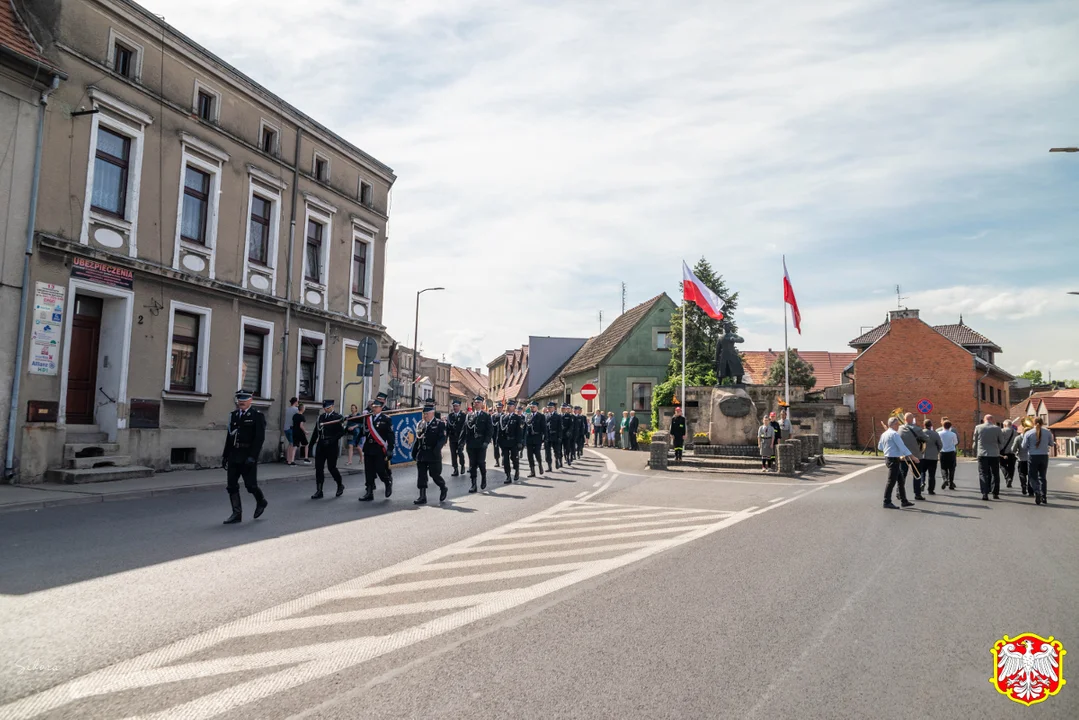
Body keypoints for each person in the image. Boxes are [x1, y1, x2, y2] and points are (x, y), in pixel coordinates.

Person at [221, 391, 268, 524]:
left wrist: (253, 456)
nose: (241, 401)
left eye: (244, 399)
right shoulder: (234, 415)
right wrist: (225, 456)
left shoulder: (257, 416)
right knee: (231, 486)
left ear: (250, 400)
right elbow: (229, 437)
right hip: (234, 454)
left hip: (247, 455)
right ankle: (236, 513)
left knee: (250, 485)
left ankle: (261, 501)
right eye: (239, 399)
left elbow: (259, 439)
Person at [412, 403, 448, 505]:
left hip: (433, 453)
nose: (425, 416)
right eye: (424, 414)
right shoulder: (420, 424)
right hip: (422, 453)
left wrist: (437, 449)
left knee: (434, 474)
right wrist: (414, 452)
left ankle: (443, 487)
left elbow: (443, 439)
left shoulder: (439, 424)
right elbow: (418, 439)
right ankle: (422, 496)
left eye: (427, 413)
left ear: (432, 413)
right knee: (421, 476)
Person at [310, 399, 346, 499]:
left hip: (331, 445)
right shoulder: (321, 417)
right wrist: (311, 445)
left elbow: (341, 432)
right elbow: (316, 432)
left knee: (331, 468)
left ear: (332, 407)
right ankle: (319, 490)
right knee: (319, 468)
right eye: (325, 408)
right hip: (321, 445)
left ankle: (340, 485)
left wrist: (332, 440)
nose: (326, 410)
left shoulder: (337, 417)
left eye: (328, 408)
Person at [359, 398, 393, 501]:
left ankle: (387, 483)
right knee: (368, 471)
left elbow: (390, 435)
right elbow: (362, 429)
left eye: (376, 407)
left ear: (381, 408)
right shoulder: (368, 418)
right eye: (373, 407)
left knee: (380, 470)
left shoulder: (386, 419)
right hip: (368, 448)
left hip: (379, 448)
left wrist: (390, 448)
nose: (374, 409)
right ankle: (369, 492)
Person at [879, 416, 915, 509]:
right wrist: (912, 457)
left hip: (889, 458)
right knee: (891, 482)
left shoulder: (884, 434)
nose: (898, 426)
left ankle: (904, 500)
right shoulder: (894, 434)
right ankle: (886, 501)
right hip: (893, 459)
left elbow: (880, 447)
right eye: (898, 424)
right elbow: (902, 446)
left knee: (900, 480)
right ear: (894, 425)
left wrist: (890, 449)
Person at [973, 414, 1007, 501]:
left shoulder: (978, 427)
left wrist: (976, 450)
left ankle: (985, 493)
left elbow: (975, 440)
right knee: (995, 473)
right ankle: (995, 493)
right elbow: (1001, 441)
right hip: (994, 454)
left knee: (983, 473)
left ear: (984, 420)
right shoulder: (997, 428)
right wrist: (998, 448)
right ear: (992, 420)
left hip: (982, 454)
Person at [463, 396, 492, 492]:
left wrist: (486, 442)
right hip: (471, 444)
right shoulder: (469, 415)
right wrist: (462, 443)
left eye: (478, 402)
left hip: (481, 443)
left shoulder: (486, 416)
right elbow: (465, 430)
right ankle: (473, 484)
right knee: (472, 465)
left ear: (482, 404)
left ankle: (483, 477)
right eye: (475, 402)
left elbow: (489, 430)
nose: (476, 404)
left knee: (481, 463)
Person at [1023, 417, 1054, 505]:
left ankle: (1037, 491)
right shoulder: (1048, 432)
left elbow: (1024, 446)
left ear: (1033, 423)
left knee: (1032, 476)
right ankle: (1044, 496)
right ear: (1042, 423)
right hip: (1044, 456)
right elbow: (1051, 444)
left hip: (1033, 456)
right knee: (1042, 477)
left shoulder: (1028, 433)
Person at [898, 413, 928, 500]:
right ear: (913, 419)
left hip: (903, 456)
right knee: (917, 475)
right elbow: (926, 438)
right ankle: (917, 494)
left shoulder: (899, 429)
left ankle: (899, 492)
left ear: (904, 419)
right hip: (916, 456)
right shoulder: (917, 429)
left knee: (902, 475)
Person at [920, 419, 942, 495]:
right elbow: (940, 445)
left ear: (924, 425)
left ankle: (922, 482)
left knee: (922, 472)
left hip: (922, 456)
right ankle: (931, 490)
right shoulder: (935, 434)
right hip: (933, 457)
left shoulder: (920, 433)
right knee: (932, 474)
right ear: (931, 425)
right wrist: (936, 451)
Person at [445, 399, 467, 477]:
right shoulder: (450, 416)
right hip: (452, 438)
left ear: (460, 407)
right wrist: (445, 438)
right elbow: (447, 428)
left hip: (461, 438)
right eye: (454, 406)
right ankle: (455, 469)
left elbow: (465, 428)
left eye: (456, 406)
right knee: (453, 454)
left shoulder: (464, 416)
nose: (455, 408)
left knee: (460, 452)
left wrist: (465, 438)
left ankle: (463, 465)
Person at [525, 401, 547, 477]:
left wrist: (545, 438)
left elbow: (544, 428)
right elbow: (525, 427)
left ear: (537, 408)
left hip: (537, 438)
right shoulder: (528, 415)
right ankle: (532, 471)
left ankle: (540, 465)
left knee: (537, 453)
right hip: (529, 438)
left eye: (533, 407)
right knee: (529, 455)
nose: (532, 408)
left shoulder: (541, 416)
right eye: (531, 407)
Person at [938, 419, 958, 490]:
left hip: (943, 452)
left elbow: (938, 442)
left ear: (943, 425)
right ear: (950, 426)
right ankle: (951, 483)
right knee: (952, 468)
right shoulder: (953, 434)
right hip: (951, 452)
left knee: (943, 468)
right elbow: (955, 442)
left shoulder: (939, 433)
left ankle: (945, 479)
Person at [999, 419, 1018, 488]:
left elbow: (1000, 441)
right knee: (1011, 467)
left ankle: (1007, 477)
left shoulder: (1002, 431)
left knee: (1002, 465)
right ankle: (1010, 480)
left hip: (1003, 452)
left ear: (1004, 425)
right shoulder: (1015, 432)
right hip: (1012, 452)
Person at [544, 401, 561, 471]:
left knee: (556, 451)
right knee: (547, 452)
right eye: (548, 407)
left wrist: (560, 437)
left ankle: (557, 460)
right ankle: (549, 466)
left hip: (555, 435)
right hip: (548, 436)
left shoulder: (558, 416)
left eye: (550, 407)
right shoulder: (545, 416)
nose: (549, 409)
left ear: (554, 408)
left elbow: (560, 427)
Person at [1012, 430, 1030, 496]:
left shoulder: (1018, 438)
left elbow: (1013, 449)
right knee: (1030, 474)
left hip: (1021, 459)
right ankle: (1030, 489)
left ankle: (1023, 486)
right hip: (1031, 459)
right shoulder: (1032, 437)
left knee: (1022, 474)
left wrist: (1016, 451)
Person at [284, 397, 300, 466]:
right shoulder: (296, 410)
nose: (298, 403)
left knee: (290, 444)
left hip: (286, 428)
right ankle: (291, 461)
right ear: (295, 402)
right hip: (292, 428)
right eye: (297, 402)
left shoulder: (287, 409)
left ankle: (288, 459)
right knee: (294, 445)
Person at [490, 401, 503, 466]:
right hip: (495, 435)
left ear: (502, 408)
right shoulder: (493, 416)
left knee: (504, 448)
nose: (499, 409)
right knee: (496, 448)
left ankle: (504, 458)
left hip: (503, 435)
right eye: (498, 407)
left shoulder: (504, 415)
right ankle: (497, 461)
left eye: (500, 407)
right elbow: (491, 425)